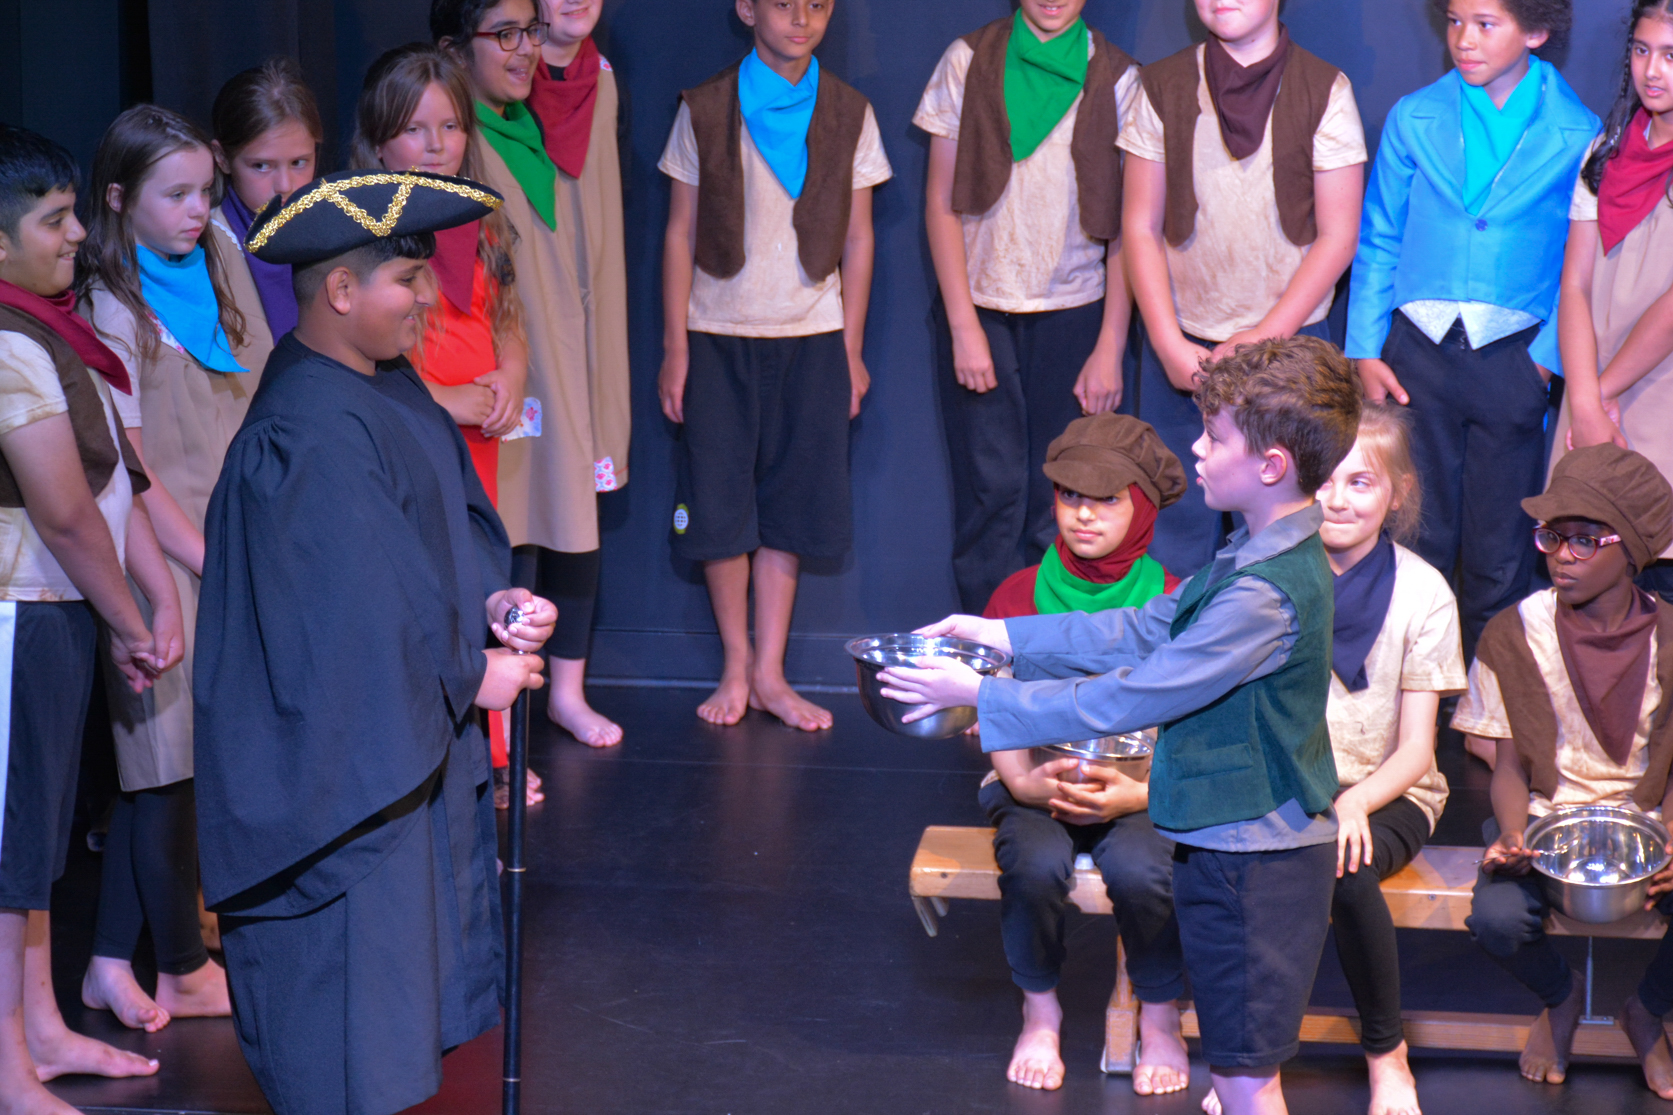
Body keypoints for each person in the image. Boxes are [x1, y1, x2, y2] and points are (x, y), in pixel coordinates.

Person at [881, 335, 1363, 1115]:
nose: (1197, 449)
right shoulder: (1248, 554)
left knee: (1245, 1084)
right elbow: (1143, 627)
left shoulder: (1261, 593)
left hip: (1256, 862)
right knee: (1239, 1077)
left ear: (1271, 464)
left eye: (1215, 437)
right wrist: (1001, 635)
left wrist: (983, 694)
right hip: (1229, 844)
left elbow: (1134, 694)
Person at [192, 169, 555, 1115]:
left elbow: (431, 539)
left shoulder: (390, 389)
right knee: (344, 1032)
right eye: (406, 279)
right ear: (343, 291)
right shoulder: (303, 429)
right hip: (339, 781)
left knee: (392, 1025)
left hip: (397, 757)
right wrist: (469, 673)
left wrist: (495, 605)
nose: (427, 297)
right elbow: (345, 617)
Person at [1207, 404, 1467, 1115]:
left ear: (1397, 493)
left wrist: (1353, 800)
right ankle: (1249, 1066)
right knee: (1241, 870)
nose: (1339, 499)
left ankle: (1387, 1054)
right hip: (1283, 783)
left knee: (1341, 865)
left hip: (1387, 790)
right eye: (1325, 480)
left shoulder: (1423, 593)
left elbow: (1416, 749)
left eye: (1361, 482)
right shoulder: (1267, 575)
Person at [0, 122, 180, 1115]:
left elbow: (120, 480)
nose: (76, 235)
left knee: (33, 845)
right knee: (8, 851)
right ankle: (6, 1070)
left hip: (56, 612)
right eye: (54, 219)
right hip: (19, 613)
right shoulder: (7, 339)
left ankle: (38, 1027)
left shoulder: (52, 330)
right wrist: (130, 619)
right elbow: (65, 511)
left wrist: (145, 596)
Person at [655, 0, 892, 729]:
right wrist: (675, 347)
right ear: (747, 8)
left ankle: (770, 671)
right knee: (719, 507)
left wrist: (850, 349)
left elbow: (859, 239)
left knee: (791, 509)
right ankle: (735, 663)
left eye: (816, 5)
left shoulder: (850, 111)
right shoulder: (704, 107)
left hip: (812, 337)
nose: (801, 19)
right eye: (784, 4)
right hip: (717, 333)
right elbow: (679, 232)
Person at [72, 104, 253, 1035]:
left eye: (205, 192)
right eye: (174, 194)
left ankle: (111, 959)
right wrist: (200, 559)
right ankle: (179, 966)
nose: (196, 210)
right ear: (117, 198)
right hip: (158, 554)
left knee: (179, 766)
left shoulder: (217, 254)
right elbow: (130, 467)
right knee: (159, 764)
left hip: (222, 541)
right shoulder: (110, 303)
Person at [1347, 0, 1595, 659]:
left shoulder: (1579, 132)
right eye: (1455, 20)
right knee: (1413, 532)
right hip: (1415, 357)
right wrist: (1365, 347)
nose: (1464, 39)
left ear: (1535, 30)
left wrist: (1543, 361)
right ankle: (1407, 695)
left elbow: (1582, 263)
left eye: (1486, 24)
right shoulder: (1414, 115)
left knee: (1498, 548)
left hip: (1513, 360)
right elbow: (1379, 237)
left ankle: (1490, 701)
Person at [434, 0, 632, 750]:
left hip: (561, 340)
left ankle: (565, 694)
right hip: (494, 355)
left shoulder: (549, 111)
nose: (524, 50)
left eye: (529, 33)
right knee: (508, 521)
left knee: (571, 507)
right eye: (506, 35)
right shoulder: (457, 136)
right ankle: (497, 722)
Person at [976, 413, 1191, 1095]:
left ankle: (1159, 1014)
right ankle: (1039, 1011)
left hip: (1139, 785)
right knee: (1034, 864)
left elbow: (1189, 717)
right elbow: (989, 701)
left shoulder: (1175, 600)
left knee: (1144, 870)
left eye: (1106, 499)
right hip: (1032, 775)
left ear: (1143, 506)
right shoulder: (1016, 594)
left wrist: (1138, 792)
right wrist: (1024, 783)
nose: (1084, 514)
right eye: (1070, 495)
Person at [351, 42, 541, 807]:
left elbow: (508, 316)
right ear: (378, 140)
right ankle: (442, 750)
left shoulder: (482, 216)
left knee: (480, 580)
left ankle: (490, 748)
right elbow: (366, 360)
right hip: (418, 427)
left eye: (451, 126)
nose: (436, 145)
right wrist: (444, 398)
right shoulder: (369, 228)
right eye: (414, 129)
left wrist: (512, 374)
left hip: (478, 437)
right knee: (430, 586)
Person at [1455, 444, 1673, 1100]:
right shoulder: (1512, 633)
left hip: (1648, 824)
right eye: (1551, 536)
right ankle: (1560, 996)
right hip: (1544, 820)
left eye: (1584, 540)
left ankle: (1646, 1010)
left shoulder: (1669, 637)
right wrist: (1511, 834)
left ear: (1631, 549)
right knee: (1495, 918)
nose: (1562, 556)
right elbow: (1507, 765)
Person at [1122, 0, 1365, 580]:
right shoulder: (1160, 86)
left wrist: (1263, 336)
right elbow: (1139, 225)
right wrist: (1168, 344)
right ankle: (1182, 635)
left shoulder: (1324, 89)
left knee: (1283, 527)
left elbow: (1338, 236)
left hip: (1291, 353)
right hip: (1185, 350)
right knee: (1175, 524)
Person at [914, 0, 1140, 614]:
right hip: (981, 311)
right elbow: (940, 202)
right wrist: (963, 324)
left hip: (1078, 312)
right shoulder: (968, 60)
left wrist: (1110, 345)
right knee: (989, 494)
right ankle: (984, 647)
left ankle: (1051, 648)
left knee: (1064, 494)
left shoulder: (1118, 75)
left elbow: (1128, 226)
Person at [522, 0, 631, 748]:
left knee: (576, 504)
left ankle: (566, 690)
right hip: (523, 310)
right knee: (517, 505)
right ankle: (502, 706)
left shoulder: (603, 77)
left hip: (587, 307)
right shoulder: (498, 80)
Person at [1554, 0, 1673, 602]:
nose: (1653, 70)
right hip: (1591, 401)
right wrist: (1585, 403)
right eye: (1642, 50)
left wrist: (1599, 395)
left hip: (1656, 397)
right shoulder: (1605, 150)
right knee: (1588, 587)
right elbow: (1574, 283)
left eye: (1671, 56)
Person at [210, 57, 323, 347]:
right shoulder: (205, 249)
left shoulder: (337, 233)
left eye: (299, 162)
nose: (284, 185)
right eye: (261, 166)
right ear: (222, 158)